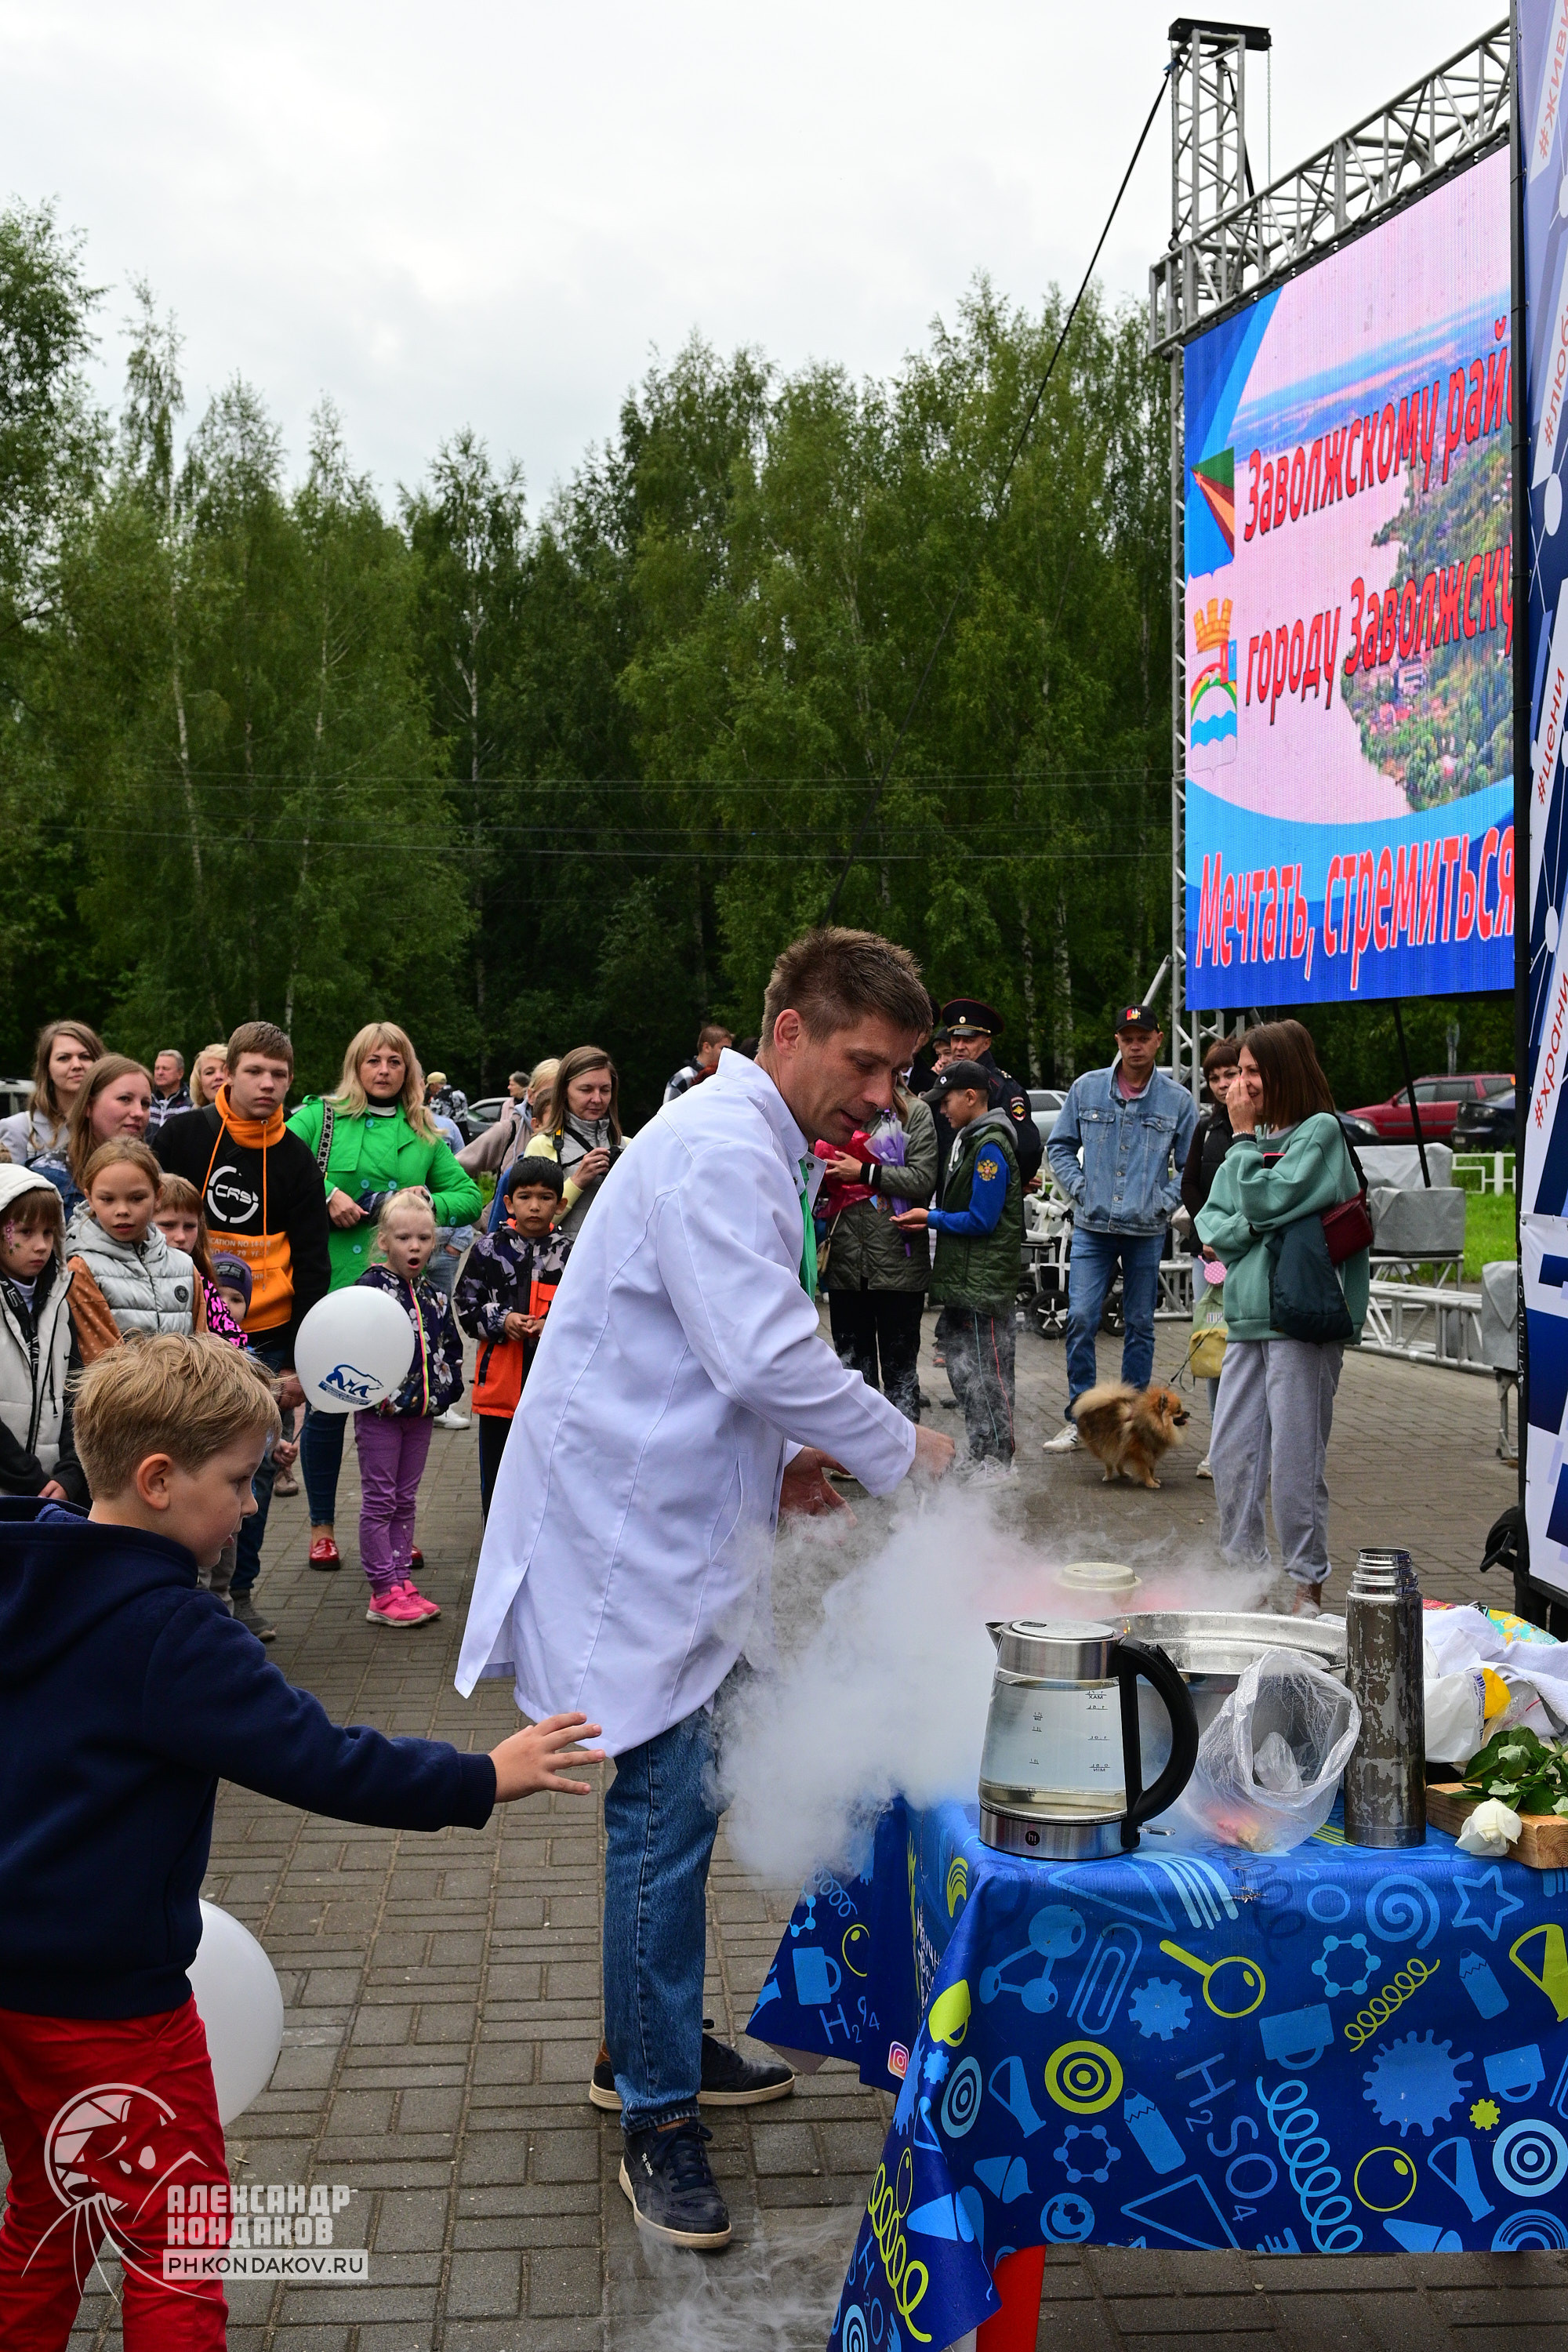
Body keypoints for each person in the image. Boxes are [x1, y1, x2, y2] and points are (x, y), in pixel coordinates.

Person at [458, 926, 956, 2252]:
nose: (884, 1098)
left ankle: (652, 2035)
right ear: (785, 1027)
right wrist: (902, 1451)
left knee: (703, 1776)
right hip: (637, 1537)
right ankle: (655, 2110)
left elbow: (711, 1346)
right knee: (665, 1811)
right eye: (866, 1063)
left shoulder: (753, 1144)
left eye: (899, 1073)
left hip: (685, 1522)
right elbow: (763, 1347)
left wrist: (790, 1454)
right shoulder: (722, 1148)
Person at [0, 1331, 602, 2350]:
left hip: (15, 1989)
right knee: (174, 2241)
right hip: (114, 2005)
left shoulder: (24, 1570)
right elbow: (322, 1760)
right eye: (239, 1481)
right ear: (157, 1480)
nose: (248, 1506)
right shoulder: (174, 1633)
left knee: (52, 2201)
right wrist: (478, 1777)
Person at [154, 1022, 330, 1642]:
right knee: (181, 1466)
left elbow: (313, 1260)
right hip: (189, 1329)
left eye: (279, 1075)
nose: (268, 1085)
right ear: (227, 1072)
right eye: (255, 1072)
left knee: (252, 1472)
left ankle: (241, 1591)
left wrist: (304, 1358)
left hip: (270, 1336)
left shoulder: (295, 1158)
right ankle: (176, 1591)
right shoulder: (182, 1135)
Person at [285, 1022, 482, 1567]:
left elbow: (467, 1196)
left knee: (396, 1414)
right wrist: (326, 1195)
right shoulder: (319, 1117)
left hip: (398, 1299)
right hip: (329, 1287)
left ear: (408, 1070)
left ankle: (397, 1526)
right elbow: (280, 1161)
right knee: (328, 1409)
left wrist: (417, 1210)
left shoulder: (422, 1131)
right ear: (356, 1066)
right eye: (374, 1060)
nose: (384, 1070)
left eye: (395, 1061)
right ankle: (321, 1526)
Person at [1196, 1020, 1370, 1617]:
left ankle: (1306, 1584)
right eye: (1236, 1072)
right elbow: (1212, 1224)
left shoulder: (1321, 1132)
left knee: (1297, 1461)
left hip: (1303, 1320)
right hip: (1245, 1319)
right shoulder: (1251, 1143)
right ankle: (1247, 1582)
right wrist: (1257, 1216)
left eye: (1251, 1072)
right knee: (1231, 1457)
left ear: (1283, 1072)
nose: (1239, 1085)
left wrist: (1248, 1162)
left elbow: (1263, 1201)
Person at [1043, 1004, 1198, 1453]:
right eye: (1127, 1036)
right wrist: (1081, 1189)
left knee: (1140, 1325)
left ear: (1158, 1040)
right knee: (1081, 1319)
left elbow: (1188, 1170)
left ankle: (1131, 1420)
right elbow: (1060, 1147)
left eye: (1143, 1036)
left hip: (1146, 1231)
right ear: (1117, 1040)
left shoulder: (1177, 1101)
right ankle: (1082, 1418)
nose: (1135, 1044)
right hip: (1093, 1226)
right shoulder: (1086, 1089)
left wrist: (1161, 1205)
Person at [893, 1058, 1025, 1467]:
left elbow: (983, 1220)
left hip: (982, 1284)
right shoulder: (971, 1139)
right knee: (966, 1371)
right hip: (967, 1280)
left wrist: (928, 1218)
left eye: (946, 1101)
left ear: (971, 1097)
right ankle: (980, 1451)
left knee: (989, 1374)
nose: (942, 1109)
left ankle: (998, 1461)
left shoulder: (990, 1146)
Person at [350, 1189, 464, 1627]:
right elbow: (349, 1344)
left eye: (423, 1238)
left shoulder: (435, 1294)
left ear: (434, 1241)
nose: (413, 1246)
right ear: (383, 1241)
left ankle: (401, 1579)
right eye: (402, 1238)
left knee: (405, 1499)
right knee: (380, 1501)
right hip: (380, 1415)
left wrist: (446, 1391)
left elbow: (451, 1346)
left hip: (420, 1415)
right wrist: (369, 1394)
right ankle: (382, 1591)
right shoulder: (369, 1290)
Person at [455, 1157, 572, 1515]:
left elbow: (586, 1311)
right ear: (508, 1202)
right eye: (524, 1197)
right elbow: (465, 1305)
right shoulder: (487, 1250)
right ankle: (495, 1542)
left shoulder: (570, 1253)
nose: (534, 1206)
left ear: (561, 1204)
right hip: (500, 1388)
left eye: (545, 1197)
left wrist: (548, 1324)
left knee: (550, 1471)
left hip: (554, 1389)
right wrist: (502, 1320)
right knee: (498, 1473)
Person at [819, 1076, 938, 1423]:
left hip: (897, 1267)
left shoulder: (915, 1113)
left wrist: (864, 1172)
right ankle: (862, 1457)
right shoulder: (835, 1113)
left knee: (899, 1371)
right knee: (853, 1369)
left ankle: (905, 1456)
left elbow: (922, 1179)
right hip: (846, 1265)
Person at [65, 1141, 202, 1359]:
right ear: (89, 1198)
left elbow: (202, 1350)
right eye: (107, 1199)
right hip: (120, 1392)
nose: (122, 1210)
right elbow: (103, 1361)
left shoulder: (184, 1267)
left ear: (158, 1197)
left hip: (187, 1392)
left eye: (137, 1198)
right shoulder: (81, 1269)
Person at [0, 1167, 85, 1505]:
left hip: (52, 1495)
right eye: (25, 1231)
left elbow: (75, 1393)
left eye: (49, 1233)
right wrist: (31, 1480)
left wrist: (71, 1473)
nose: (41, 1246)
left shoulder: (59, 1304)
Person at [1181, 1036, 1242, 1479]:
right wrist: (1207, 1234)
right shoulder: (1206, 1129)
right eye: (1214, 1078)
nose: (1222, 1084)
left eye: (1231, 1074)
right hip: (1211, 1258)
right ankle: (1220, 1445)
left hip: (1253, 1256)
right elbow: (1190, 1186)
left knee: (1252, 1350)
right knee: (1214, 1344)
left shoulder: (1266, 1127)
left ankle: (1254, 1443)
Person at [937, 998, 1043, 1187]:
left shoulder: (1002, 1088)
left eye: (968, 1040)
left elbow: (1027, 1148)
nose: (959, 1046)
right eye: (955, 1039)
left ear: (986, 1043)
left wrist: (1008, 1184)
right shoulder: (949, 1082)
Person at [523, 1047, 622, 1240]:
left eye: (605, 1090)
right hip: (561, 1266)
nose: (597, 1099)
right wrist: (577, 1181)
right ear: (564, 1091)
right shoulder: (542, 1145)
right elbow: (532, 1225)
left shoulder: (626, 1146)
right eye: (586, 1090)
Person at [42, 1054, 154, 1218]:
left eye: (145, 1104)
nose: (139, 1113)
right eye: (125, 1099)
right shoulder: (49, 1179)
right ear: (88, 1106)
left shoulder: (153, 1172)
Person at [462, 1056, 558, 1233]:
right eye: (547, 1094)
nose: (556, 1102)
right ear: (530, 1095)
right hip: (508, 1246)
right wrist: (478, 1216)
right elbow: (453, 1169)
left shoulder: (573, 1139)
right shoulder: (509, 1131)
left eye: (562, 1094)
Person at [0, 1019, 103, 1167]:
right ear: (47, 1068)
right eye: (64, 1058)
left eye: (85, 1057)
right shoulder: (18, 1128)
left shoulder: (115, 1123)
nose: (76, 1065)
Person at [663, 1023, 733, 1104]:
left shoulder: (725, 1078)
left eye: (730, 1049)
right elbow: (667, 1113)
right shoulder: (684, 1077)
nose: (728, 1053)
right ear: (706, 1047)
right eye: (724, 1048)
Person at [146, 1048, 191, 1135]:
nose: (160, 1072)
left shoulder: (191, 1102)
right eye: (157, 1068)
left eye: (165, 1069)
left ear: (180, 1073)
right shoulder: (146, 1099)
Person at [187, 1042, 230, 1109]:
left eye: (225, 1070)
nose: (218, 1077)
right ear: (199, 1083)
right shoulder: (190, 1119)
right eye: (209, 1073)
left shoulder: (252, 1116)